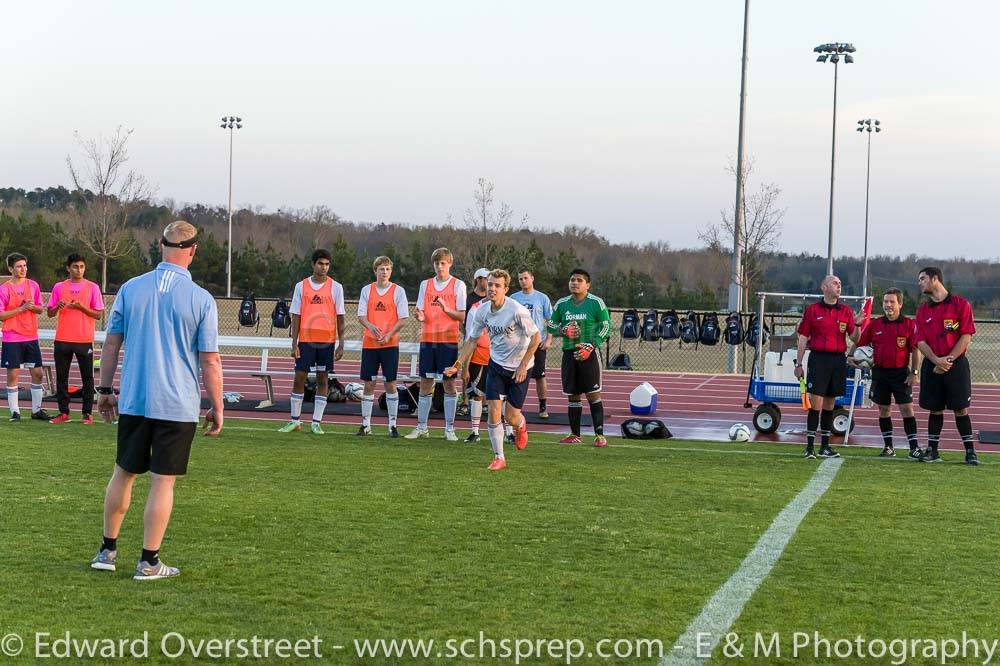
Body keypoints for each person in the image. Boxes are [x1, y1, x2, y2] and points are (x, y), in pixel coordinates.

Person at [90, 221, 223, 581]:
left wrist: (104, 391)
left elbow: (111, 344)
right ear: (193, 251)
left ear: (159, 246)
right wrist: (218, 405)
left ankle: (107, 550)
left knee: (123, 473)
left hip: (135, 399)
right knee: (163, 482)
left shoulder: (130, 289)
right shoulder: (201, 299)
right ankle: (149, 561)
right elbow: (209, 360)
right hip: (177, 404)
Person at [445, 269, 540, 471]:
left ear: (505, 289)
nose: (492, 288)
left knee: (511, 416)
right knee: (494, 412)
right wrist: (458, 365)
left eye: (497, 285)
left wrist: (523, 365)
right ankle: (499, 457)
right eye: (490, 284)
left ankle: (520, 425)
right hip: (496, 366)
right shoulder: (482, 310)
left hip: (519, 368)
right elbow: (472, 340)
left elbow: (536, 337)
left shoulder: (516, 310)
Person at [913, 266, 979, 465]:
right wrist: (936, 361)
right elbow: (920, 341)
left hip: (955, 365)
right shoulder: (923, 310)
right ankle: (932, 451)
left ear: (935, 279)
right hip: (932, 365)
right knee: (935, 409)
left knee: (960, 409)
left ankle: (970, 452)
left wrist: (947, 361)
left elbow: (966, 336)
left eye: (922, 279)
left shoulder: (960, 304)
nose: (919, 283)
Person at [278, 249, 346, 435]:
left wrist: (341, 344)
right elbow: (296, 315)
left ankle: (316, 422)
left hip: (326, 342)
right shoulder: (301, 286)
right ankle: (295, 421)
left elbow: (340, 317)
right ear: (313, 264)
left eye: (327, 264)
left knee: (323, 379)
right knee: (299, 377)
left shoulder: (336, 287)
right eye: (320, 263)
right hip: (306, 341)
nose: (323, 267)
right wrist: (294, 343)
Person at [793, 275, 860, 459]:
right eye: (835, 283)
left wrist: (859, 323)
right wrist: (798, 364)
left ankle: (825, 447)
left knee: (830, 403)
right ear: (824, 287)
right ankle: (809, 448)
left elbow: (855, 338)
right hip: (818, 359)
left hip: (838, 360)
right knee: (816, 403)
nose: (839, 286)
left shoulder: (846, 311)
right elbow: (803, 338)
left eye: (840, 284)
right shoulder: (813, 310)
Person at [848, 288, 919, 458]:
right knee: (883, 410)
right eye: (885, 302)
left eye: (892, 302)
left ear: (900, 304)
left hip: (901, 373)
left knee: (906, 409)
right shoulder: (875, 324)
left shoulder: (909, 324)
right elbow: (860, 343)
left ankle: (914, 448)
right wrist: (851, 356)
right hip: (879, 373)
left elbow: (916, 350)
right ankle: (888, 447)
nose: (888, 305)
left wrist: (914, 372)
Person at [405, 247, 466, 441]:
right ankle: (422, 427)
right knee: (425, 382)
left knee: (449, 383)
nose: (440, 267)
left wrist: (446, 308)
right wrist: (419, 316)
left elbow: (462, 315)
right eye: (437, 263)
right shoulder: (426, 284)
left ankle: (449, 429)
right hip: (428, 340)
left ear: (450, 264)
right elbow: (421, 312)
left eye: (443, 263)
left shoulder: (458, 285)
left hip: (448, 341)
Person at [546, 269, 612, 447]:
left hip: (588, 353)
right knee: (572, 395)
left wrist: (591, 345)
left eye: (579, 280)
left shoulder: (596, 303)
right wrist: (563, 329)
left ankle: (599, 435)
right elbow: (551, 324)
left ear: (587, 285)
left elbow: (606, 327)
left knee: (593, 394)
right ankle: (575, 434)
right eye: (572, 280)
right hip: (569, 353)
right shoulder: (562, 304)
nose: (575, 283)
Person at [46, 253, 105, 424]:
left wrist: (81, 307)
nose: (78, 270)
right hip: (63, 339)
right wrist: (57, 306)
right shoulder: (59, 287)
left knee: (87, 378)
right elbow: (49, 313)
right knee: (62, 378)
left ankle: (87, 413)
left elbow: (98, 314)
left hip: (84, 339)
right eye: (75, 267)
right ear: (68, 268)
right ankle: (63, 412)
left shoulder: (92, 288)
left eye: (81, 267)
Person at [356, 255, 408, 437]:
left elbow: (403, 319)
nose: (384, 272)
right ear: (375, 271)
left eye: (387, 269)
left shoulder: (398, 291)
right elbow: (361, 315)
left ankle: (392, 425)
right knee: (369, 383)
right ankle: (365, 425)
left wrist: (389, 335)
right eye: (381, 269)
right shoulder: (367, 290)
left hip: (390, 344)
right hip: (370, 345)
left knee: (390, 383)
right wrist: (371, 327)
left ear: (390, 271)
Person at [0, 252, 51, 421]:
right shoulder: (5, 289)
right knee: (13, 374)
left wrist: (29, 307)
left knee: (37, 373)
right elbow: (1, 315)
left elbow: (40, 309)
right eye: (19, 266)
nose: (23, 269)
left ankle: (36, 410)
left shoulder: (33, 285)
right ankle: (15, 411)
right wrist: (20, 309)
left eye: (25, 266)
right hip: (12, 337)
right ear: (10, 269)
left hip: (30, 336)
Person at [510, 268, 553, 419]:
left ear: (532, 278)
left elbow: (551, 321)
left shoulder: (542, 298)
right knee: (516, 374)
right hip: (519, 344)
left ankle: (543, 406)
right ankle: (514, 406)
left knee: (540, 375)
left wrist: (548, 339)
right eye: (520, 279)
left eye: (525, 278)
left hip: (537, 343)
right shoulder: (513, 298)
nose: (523, 281)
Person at [462, 296, 492, 443]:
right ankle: (475, 432)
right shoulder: (475, 310)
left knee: (501, 398)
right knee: (477, 396)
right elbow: (470, 340)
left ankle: (509, 433)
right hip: (478, 360)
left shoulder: (510, 309)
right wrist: (465, 367)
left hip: (498, 360)